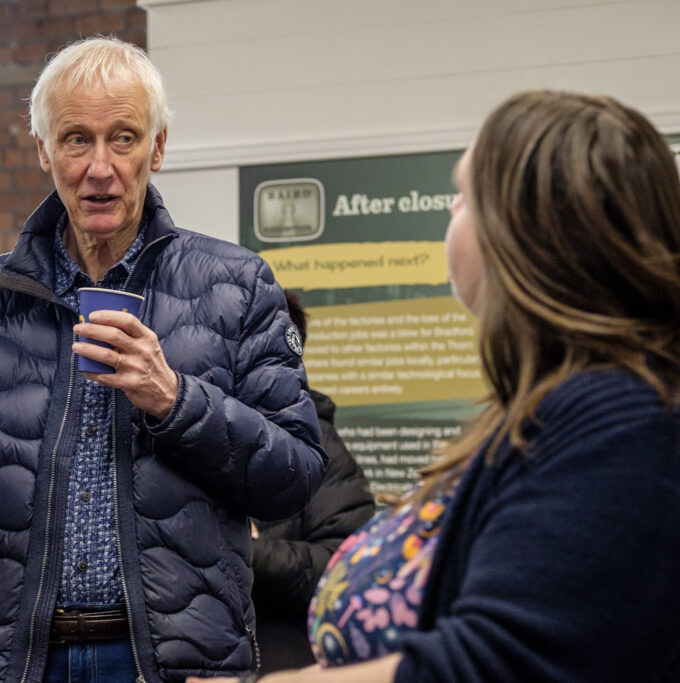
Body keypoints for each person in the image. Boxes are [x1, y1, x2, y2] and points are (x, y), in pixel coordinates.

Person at [0, 36, 326, 683]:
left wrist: (176, 400)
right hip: (14, 659)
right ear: (44, 150)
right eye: (76, 139)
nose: (100, 166)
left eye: (123, 138)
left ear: (157, 147)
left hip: (170, 660)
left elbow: (293, 472)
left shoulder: (236, 286)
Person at [191, 89, 680, 683]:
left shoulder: (619, 418)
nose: (451, 208)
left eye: (465, 196)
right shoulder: (561, 407)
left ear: (526, 234)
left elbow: (501, 661)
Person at [251, 290, 375, 673]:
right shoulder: (180, 430)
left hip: (277, 652)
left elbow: (345, 570)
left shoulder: (318, 445)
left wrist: (248, 549)